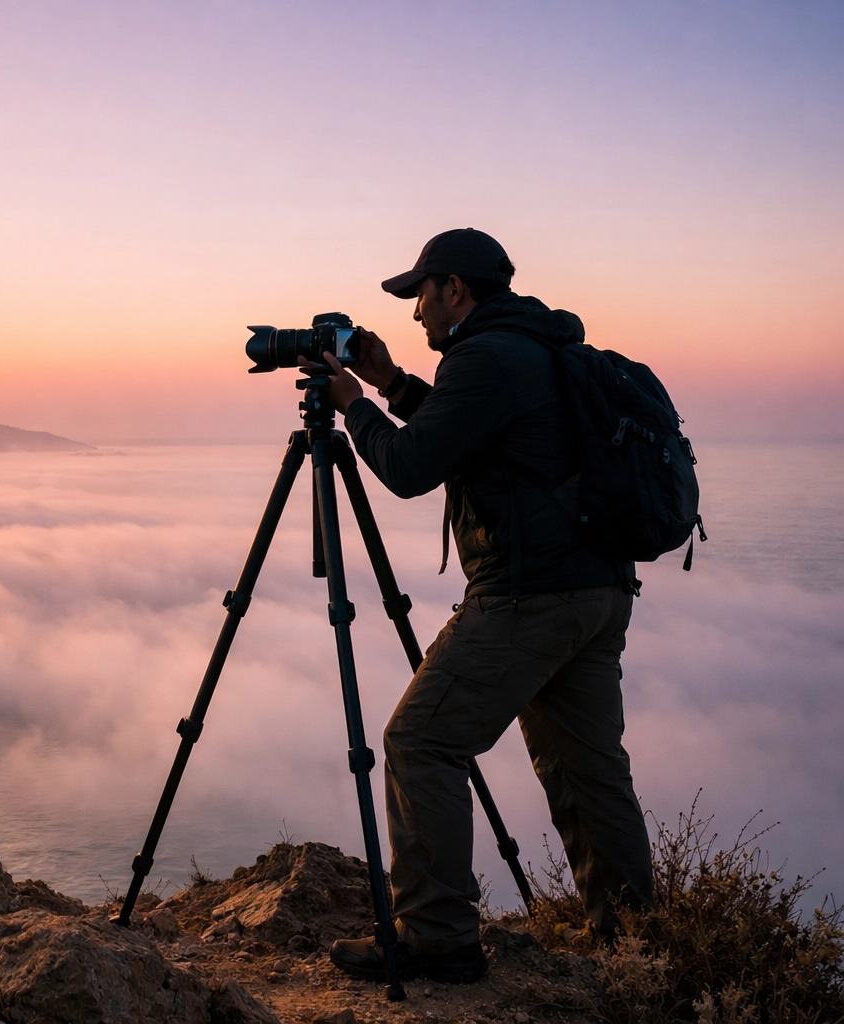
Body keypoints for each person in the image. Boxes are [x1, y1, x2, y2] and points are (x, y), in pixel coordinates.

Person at [316, 229, 655, 984]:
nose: (415, 315)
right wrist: (390, 383)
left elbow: (410, 468)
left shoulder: (485, 357)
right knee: (589, 769)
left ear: (455, 290)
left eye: (421, 297)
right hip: (597, 591)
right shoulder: (528, 346)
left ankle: (437, 936)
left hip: (530, 595)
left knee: (420, 741)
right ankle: (639, 947)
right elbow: (472, 435)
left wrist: (351, 407)